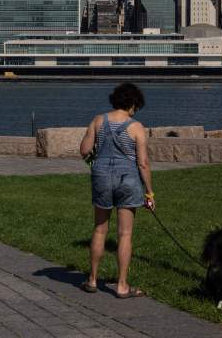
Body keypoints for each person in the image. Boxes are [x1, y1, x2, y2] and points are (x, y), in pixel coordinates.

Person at [78, 83, 154, 299]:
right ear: (132, 103)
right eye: (136, 106)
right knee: (125, 234)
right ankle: (121, 285)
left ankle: (92, 280)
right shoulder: (137, 127)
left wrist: (96, 162)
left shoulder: (98, 120)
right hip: (128, 179)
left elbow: (84, 150)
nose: (135, 110)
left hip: (101, 176)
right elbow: (143, 163)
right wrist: (149, 192)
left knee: (100, 229)